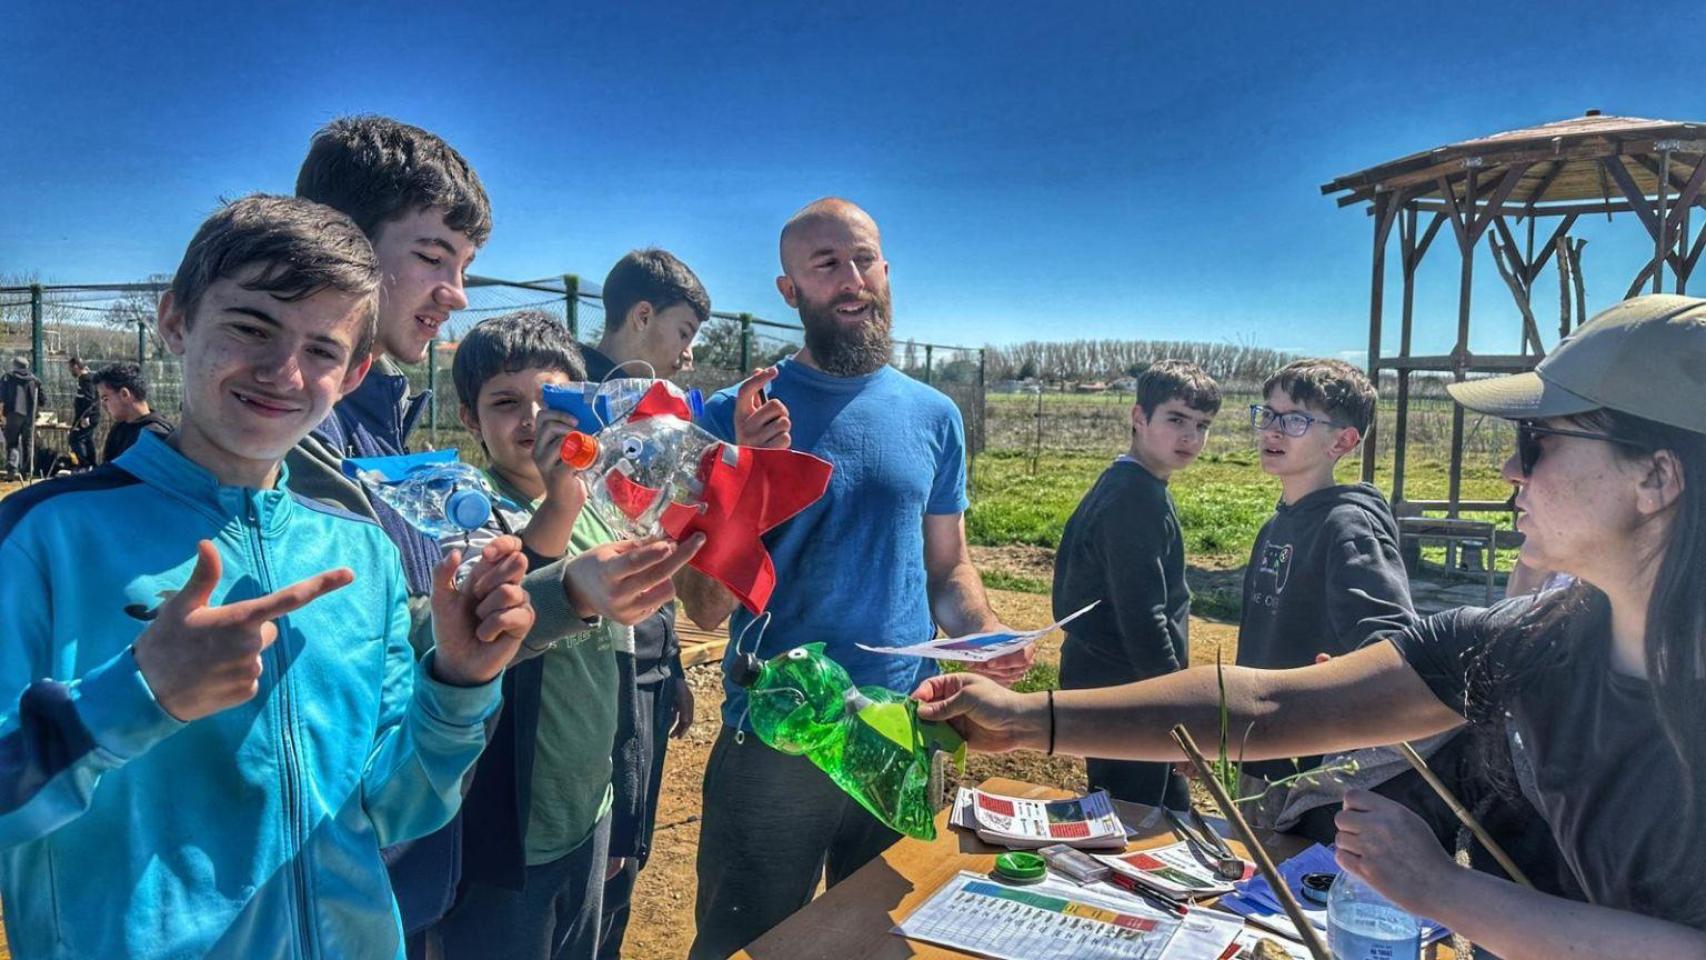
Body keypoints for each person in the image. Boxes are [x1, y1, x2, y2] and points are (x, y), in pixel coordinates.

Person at [914, 294, 1706, 958]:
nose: (1508, 470)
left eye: (1538, 442)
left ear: (1657, 478)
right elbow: (1268, 706)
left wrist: (1444, 891)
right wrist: (1023, 719)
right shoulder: (1526, 641)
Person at [0, 194, 537, 959]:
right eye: (251, 327)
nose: (283, 372)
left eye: (321, 350)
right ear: (176, 321)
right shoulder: (42, 536)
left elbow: (395, 807)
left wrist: (457, 683)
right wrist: (138, 693)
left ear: (353, 374)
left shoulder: (363, 553)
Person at [682, 198, 1027, 960]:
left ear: (886, 269)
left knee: (880, 941)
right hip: (780, 740)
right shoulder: (734, 414)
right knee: (748, 945)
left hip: (904, 731)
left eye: (865, 259)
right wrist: (745, 470)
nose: (852, 279)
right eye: (826, 264)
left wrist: (983, 632)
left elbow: (950, 567)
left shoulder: (935, 415)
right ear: (789, 290)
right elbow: (704, 608)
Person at [425, 311, 703, 960]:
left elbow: (624, 655)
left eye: (549, 400)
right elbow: (494, 630)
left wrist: (620, 813)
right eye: (504, 403)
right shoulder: (463, 507)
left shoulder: (604, 504)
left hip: (590, 816)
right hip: (502, 841)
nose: (529, 420)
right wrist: (557, 506)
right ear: (470, 419)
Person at [284, 113, 491, 937]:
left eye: (466, 265)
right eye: (433, 256)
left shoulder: (380, 424)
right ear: (340, 246)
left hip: (400, 872)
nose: (459, 292)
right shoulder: (293, 442)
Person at [585, 249, 709, 959]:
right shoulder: (566, 395)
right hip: (589, 672)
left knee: (627, 858)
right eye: (683, 331)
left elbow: (650, 535)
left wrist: (676, 663)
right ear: (641, 316)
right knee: (589, 866)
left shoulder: (655, 412)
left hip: (647, 669)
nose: (688, 354)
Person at [1237, 358, 1414, 808]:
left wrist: (1339, 678)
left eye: (1295, 420)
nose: (1272, 431)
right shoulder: (1276, 525)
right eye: (1269, 415)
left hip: (1310, 771)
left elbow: (1392, 640)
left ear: (1343, 440)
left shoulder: (1349, 527)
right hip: (1259, 751)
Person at [1052, 359, 1218, 814]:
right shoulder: (1134, 498)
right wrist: (1180, 713)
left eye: (1202, 425)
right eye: (1176, 419)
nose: (1191, 437)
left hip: (1123, 687)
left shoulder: (1130, 484)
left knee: (1168, 812)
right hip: (1128, 694)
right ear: (1139, 417)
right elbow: (1144, 617)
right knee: (1133, 822)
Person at [92, 362, 173, 464]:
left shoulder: (156, 434)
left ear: (124, 394)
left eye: (105, 399)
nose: (103, 406)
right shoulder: (119, 428)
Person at [1, 356, 44, 479]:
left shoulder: (7, 378)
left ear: (15, 366)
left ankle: (11, 471)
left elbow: (1, 398)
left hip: (13, 413)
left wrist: (1, 416)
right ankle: (27, 472)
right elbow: (42, 400)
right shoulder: (35, 380)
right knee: (28, 443)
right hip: (30, 415)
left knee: (12, 442)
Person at [66, 356, 99, 469]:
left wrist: (86, 417)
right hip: (87, 416)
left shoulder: (86, 380)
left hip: (87, 417)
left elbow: (89, 399)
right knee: (86, 438)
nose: (70, 371)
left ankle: (85, 464)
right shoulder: (85, 379)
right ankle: (91, 464)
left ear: (76, 366)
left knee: (75, 438)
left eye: (71, 368)